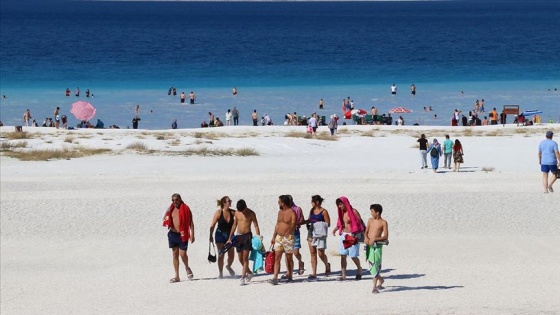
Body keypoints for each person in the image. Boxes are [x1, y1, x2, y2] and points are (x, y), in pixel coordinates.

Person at [162, 193, 195, 283]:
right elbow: (165, 218)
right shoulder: (170, 209)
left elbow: (191, 222)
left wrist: (192, 234)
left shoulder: (186, 208)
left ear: (180, 199)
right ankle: (177, 276)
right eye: (173, 200)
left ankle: (187, 267)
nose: (174, 202)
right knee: (175, 255)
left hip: (182, 234)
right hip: (173, 234)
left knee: (183, 254)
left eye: (176, 200)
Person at [228, 199, 262, 285]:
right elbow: (235, 225)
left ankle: (243, 277)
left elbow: (256, 225)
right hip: (238, 236)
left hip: (247, 236)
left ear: (245, 207)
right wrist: (230, 237)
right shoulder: (237, 213)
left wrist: (258, 237)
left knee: (245, 258)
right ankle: (250, 273)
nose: (241, 212)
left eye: (242, 210)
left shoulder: (251, 213)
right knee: (240, 259)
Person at [332, 196, 364, 281]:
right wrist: (336, 228)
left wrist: (357, 234)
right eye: (338, 205)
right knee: (343, 255)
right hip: (344, 235)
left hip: (352, 235)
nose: (339, 206)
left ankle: (359, 269)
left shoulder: (353, 211)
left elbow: (360, 224)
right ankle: (344, 275)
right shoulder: (342, 213)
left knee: (353, 256)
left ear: (345, 203)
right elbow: (340, 223)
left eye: (340, 204)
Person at [269, 195, 297, 285]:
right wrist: (273, 236)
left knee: (289, 258)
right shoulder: (280, 212)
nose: (278, 203)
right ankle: (275, 277)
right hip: (279, 237)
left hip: (288, 238)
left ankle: (290, 275)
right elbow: (277, 224)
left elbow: (294, 224)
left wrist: (288, 231)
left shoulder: (292, 212)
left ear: (283, 203)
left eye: (279, 201)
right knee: (277, 257)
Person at [364, 204, 389, 294]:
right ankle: (381, 280)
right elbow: (366, 232)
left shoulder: (383, 222)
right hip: (368, 246)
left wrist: (375, 239)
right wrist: (366, 238)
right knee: (371, 267)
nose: (371, 213)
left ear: (377, 212)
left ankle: (374, 287)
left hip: (377, 246)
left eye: (372, 211)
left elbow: (385, 236)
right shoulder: (370, 220)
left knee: (376, 265)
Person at [210, 196, 236, 279]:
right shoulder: (218, 213)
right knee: (221, 254)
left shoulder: (233, 212)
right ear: (224, 203)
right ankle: (220, 273)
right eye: (228, 201)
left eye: (230, 201)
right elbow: (213, 225)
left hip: (230, 235)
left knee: (231, 255)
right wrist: (210, 235)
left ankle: (228, 266)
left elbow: (241, 216)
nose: (230, 202)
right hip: (220, 234)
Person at [306, 195, 331, 280]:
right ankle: (314, 273)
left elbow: (328, 223)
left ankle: (327, 264)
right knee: (313, 253)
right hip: (311, 232)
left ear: (317, 202)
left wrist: (318, 224)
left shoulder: (324, 211)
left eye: (312, 202)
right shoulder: (312, 210)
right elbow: (309, 220)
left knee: (320, 253)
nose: (311, 203)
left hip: (320, 233)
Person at [287, 195, 306, 277]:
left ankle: (300, 262)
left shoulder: (298, 209)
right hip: (287, 233)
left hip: (295, 232)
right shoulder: (284, 210)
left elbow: (303, 220)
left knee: (296, 252)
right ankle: (288, 272)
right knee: (288, 253)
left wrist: (297, 223)